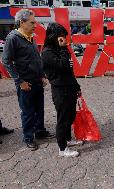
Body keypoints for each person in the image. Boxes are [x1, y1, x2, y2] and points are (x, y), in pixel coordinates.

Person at [2, 9, 53, 151]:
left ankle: (40, 131)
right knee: (28, 111)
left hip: (37, 81)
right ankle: (28, 137)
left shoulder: (32, 36)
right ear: (22, 22)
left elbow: (37, 58)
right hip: (25, 83)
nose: (35, 25)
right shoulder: (13, 38)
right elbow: (6, 62)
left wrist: (42, 75)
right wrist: (20, 81)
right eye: (32, 22)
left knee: (39, 109)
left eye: (35, 22)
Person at [41, 23, 82, 158]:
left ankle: (68, 140)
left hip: (69, 88)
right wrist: (64, 48)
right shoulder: (47, 52)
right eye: (61, 36)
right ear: (54, 37)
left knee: (71, 116)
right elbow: (63, 66)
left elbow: (70, 71)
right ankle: (62, 148)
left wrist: (77, 87)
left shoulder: (60, 49)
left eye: (64, 36)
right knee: (63, 119)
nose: (64, 39)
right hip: (60, 90)